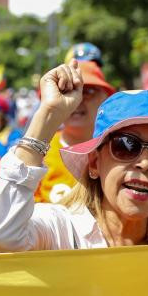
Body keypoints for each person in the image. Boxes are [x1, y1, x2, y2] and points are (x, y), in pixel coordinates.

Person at [0, 62, 148, 251]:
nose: (145, 163)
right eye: (126, 145)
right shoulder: (61, 230)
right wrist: (48, 115)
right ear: (94, 163)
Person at [34, 60, 115, 205]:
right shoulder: (37, 151)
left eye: (89, 91)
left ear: (106, 98)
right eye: (66, 90)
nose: (77, 99)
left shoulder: (122, 150)